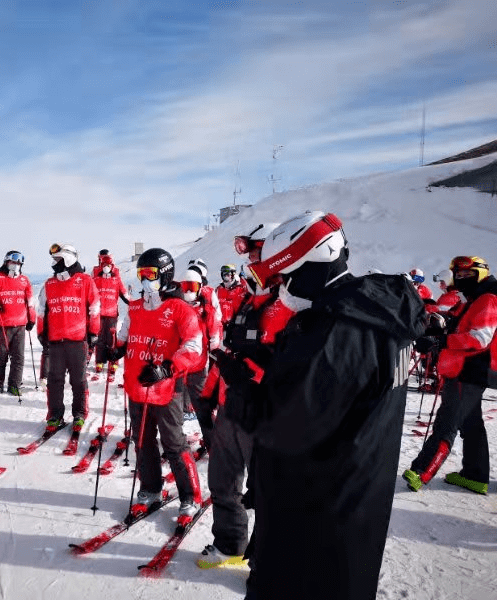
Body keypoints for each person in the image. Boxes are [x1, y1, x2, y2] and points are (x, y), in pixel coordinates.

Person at [237, 211, 425, 600]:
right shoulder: (383, 310)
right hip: (363, 491)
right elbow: (340, 393)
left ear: (309, 267)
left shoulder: (331, 332)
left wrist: (240, 388)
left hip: (314, 508)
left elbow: (281, 428)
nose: (281, 288)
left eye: (285, 276)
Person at [197, 222, 291, 570]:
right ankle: (230, 544)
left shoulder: (290, 305)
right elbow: (228, 355)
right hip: (229, 409)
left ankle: (270, 565)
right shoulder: (248, 301)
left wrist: (250, 371)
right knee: (222, 483)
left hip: (263, 416)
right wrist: (207, 396)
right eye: (248, 254)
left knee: (268, 493)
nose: (250, 260)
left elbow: (296, 370)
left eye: (255, 252)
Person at [108, 248, 204, 518]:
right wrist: (116, 349)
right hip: (138, 387)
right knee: (142, 442)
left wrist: (168, 369)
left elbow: (193, 346)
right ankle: (150, 488)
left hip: (166, 389)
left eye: (150, 274)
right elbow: (126, 336)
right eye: (141, 275)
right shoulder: (136, 307)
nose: (145, 280)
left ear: (165, 273)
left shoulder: (180, 309)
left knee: (174, 444)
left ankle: (190, 495)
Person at [403, 256, 496, 496]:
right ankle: (475, 476)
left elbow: (480, 338)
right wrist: (441, 327)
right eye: (459, 275)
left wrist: (440, 340)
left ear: (481, 274)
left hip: (469, 369)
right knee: (471, 424)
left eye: (468, 274)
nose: (463, 279)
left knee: (447, 424)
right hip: (468, 369)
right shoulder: (474, 298)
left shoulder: (487, 298)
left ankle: (421, 471)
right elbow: (462, 326)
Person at [36, 243, 100, 432]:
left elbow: (94, 307)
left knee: (78, 380)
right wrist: (41, 333)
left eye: (58, 259)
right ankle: (55, 416)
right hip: (56, 342)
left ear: (69, 258)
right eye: (54, 260)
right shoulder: (50, 283)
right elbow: (41, 310)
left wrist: (94, 332)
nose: (54, 264)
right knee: (54, 380)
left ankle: (79, 414)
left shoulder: (85, 281)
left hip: (77, 341)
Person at [0, 250, 37, 396]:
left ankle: (14, 385)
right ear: (6, 262)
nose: (15, 265)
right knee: (2, 356)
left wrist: (32, 318)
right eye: (13, 262)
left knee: (18, 357)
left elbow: (30, 301)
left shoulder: (24, 280)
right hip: (2, 324)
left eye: (18, 263)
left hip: (20, 325)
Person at [179, 267, 221, 445]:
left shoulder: (206, 308)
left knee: (202, 407)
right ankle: (174, 440)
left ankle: (213, 441)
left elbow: (214, 328)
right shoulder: (176, 306)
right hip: (178, 366)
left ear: (199, 287)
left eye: (192, 286)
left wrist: (215, 347)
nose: (188, 291)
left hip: (197, 365)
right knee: (173, 408)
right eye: (185, 286)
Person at [91, 249, 129, 379]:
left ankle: (113, 362)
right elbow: (90, 291)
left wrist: (132, 303)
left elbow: (123, 291)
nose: (106, 267)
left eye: (108, 264)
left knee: (112, 339)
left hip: (112, 313)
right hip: (99, 313)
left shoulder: (116, 276)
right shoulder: (95, 274)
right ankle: (100, 362)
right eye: (103, 263)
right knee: (100, 338)